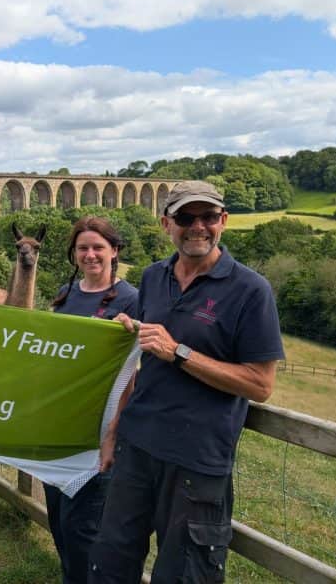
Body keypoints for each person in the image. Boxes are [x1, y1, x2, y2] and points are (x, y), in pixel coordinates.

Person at [89, 181, 284, 583]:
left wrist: (178, 352)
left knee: (184, 575)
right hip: (137, 448)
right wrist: (113, 430)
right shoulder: (154, 277)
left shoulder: (251, 290)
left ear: (223, 222)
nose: (198, 227)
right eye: (185, 217)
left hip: (197, 461)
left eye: (208, 217)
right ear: (166, 224)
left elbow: (261, 384)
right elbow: (141, 360)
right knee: (109, 564)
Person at [45, 217, 138, 583]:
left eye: (98, 247)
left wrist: (115, 431)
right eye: (82, 248)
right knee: (59, 523)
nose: (90, 255)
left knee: (84, 530)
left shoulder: (131, 300)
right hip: (60, 429)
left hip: (100, 434)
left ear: (114, 251)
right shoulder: (66, 295)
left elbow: (133, 374)